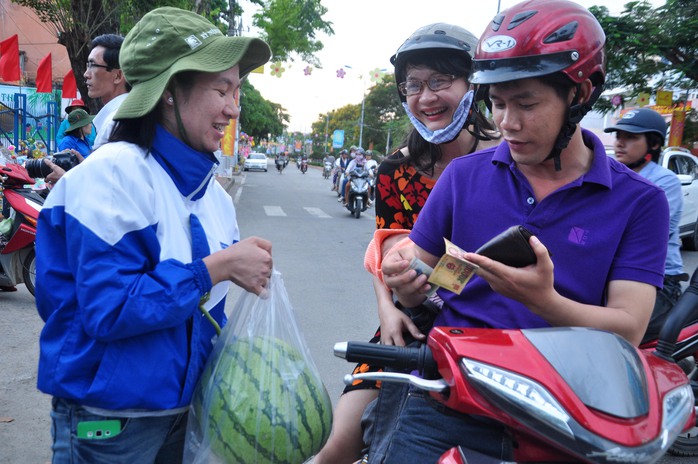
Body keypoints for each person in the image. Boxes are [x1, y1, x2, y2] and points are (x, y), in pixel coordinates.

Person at [373, 1, 669, 462]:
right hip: (449, 402)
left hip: (568, 413)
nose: (508, 123)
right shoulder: (463, 177)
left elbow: (627, 330)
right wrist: (404, 282)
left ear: (581, 93)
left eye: (527, 104)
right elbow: (427, 282)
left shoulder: (640, 202)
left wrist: (542, 301)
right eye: (497, 103)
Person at [35, 7, 273, 463]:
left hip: (184, 414)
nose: (233, 107)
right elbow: (110, 308)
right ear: (168, 91)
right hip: (110, 421)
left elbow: (204, 318)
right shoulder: (108, 178)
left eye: (237, 90)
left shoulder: (213, 198)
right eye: (221, 89)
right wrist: (215, 269)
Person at [314, 22, 500, 464]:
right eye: (413, 84)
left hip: (488, 328)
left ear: (474, 84)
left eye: (441, 81)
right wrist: (387, 305)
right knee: (337, 444)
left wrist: (441, 276)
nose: (427, 96)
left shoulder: (506, 158)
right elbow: (388, 249)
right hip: (410, 323)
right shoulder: (394, 170)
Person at [604, 108, 686, 343]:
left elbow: (641, 234)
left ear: (653, 144)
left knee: (610, 338)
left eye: (631, 138)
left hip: (659, 283)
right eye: (619, 136)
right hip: (611, 274)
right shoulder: (609, 173)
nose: (620, 143)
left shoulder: (663, 181)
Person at [85, 34, 130, 149]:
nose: (86, 74)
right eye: (87, 65)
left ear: (118, 76)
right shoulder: (127, 113)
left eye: (93, 65)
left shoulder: (114, 123)